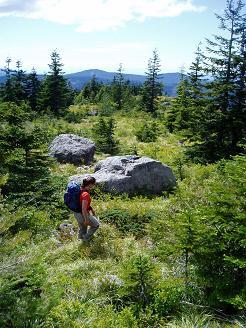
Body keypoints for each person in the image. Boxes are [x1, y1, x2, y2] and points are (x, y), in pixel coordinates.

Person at [74, 176, 100, 241]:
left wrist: (91, 209)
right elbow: (83, 209)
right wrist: (86, 220)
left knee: (82, 229)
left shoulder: (81, 189)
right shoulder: (86, 194)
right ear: (90, 184)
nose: (94, 185)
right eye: (94, 184)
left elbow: (81, 203)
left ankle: (80, 242)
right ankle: (86, 239)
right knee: (96, 225)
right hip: (82, 214)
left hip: (77, 213)